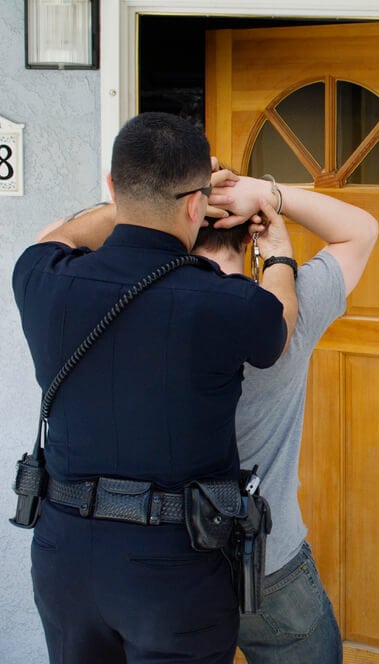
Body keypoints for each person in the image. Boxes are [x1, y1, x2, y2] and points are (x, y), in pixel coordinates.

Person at [12, 112, 296, 664]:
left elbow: (58, 235)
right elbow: (278, 325)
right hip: (173, 568)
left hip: (64, 556)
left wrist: (128, 205)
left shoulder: (42, 278)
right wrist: (278, 251)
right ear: (197, 206)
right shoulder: (224, 301)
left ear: (115, 189)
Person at [191, 169, 378, 663]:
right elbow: (361, 230)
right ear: (248, 231)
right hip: (267, 559)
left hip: (174, 561)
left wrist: (173, 201)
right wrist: (269, 199)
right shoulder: (281, 314)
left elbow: (55, 241)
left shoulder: (149, 310)